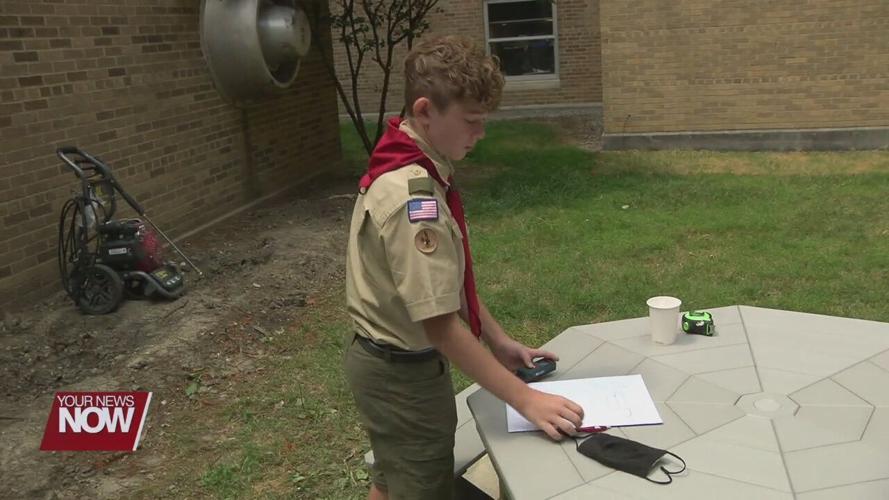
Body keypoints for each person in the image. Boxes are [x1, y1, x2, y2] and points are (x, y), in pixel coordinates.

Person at [344, 35, 584, 500]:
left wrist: (498, 340)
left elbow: (445, 284)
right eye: (472, 121)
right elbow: (439, 324)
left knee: (393, 479)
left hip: (389, 363)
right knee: (422, 485)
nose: (481, 133)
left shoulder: (414, 158)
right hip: (402, 377)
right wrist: (526, 400)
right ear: (425, 110)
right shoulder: (413, 197)